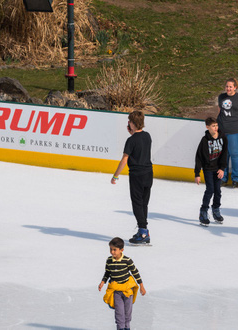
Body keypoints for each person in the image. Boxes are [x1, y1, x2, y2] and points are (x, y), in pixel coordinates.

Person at [111, 110, 153, 245]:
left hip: (137, 175)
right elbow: (140, 145)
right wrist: (134, 134)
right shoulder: (147, 136)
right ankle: (143, 230)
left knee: (137, 204)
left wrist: (115, 176)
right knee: (144, 203)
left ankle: (143, 232)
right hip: (148, 174)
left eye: (129, 121)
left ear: (133, 124)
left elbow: (124, 159)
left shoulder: (130, 140)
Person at [98, 237, 146, 330]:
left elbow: (135, 273)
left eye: (114, 250)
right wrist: (102, 282)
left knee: (127, 313)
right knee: (119, 313)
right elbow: (107, 273)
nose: (112, 252)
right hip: (117, 291)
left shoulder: (127, 260)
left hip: (128, 291)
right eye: (111, 249)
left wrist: (141, 286)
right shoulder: (109, 261)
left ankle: (127, 328)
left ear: (121, 250)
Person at [194, 117, 228, 226]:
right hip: (208, 169)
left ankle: (216, 210)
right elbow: (198, 157)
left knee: (218, 191)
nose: (216, 128)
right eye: (213, 126)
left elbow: (224, 154)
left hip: (218, 169)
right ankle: (203, 211)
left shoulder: (223, 138)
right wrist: (197, 174)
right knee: (210, 190)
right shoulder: (204, 141)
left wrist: (222, 168)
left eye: (216, 125)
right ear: (207, 127)